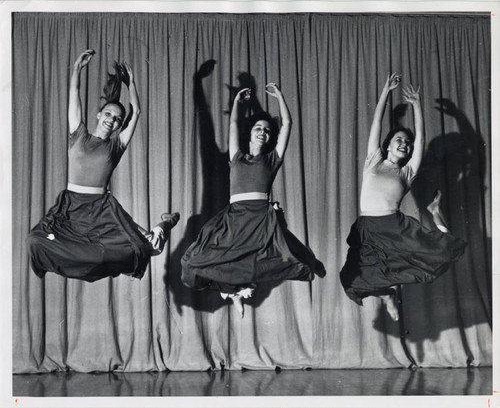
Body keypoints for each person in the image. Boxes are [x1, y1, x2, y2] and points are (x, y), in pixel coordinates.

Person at [27, 49, 179, 282]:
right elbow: (74, 93)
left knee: (147, 249)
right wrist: (77, 69)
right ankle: (159, 229)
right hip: (70, 207)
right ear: (98, 115)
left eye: (117, 118)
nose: (112, 119)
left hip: (101, 209)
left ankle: (166, 224)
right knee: (36, 241)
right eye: (108, 113)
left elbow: (136, 111)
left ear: (119, 125)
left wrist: (132, 85)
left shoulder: (116, 146)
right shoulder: (78, 135)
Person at [181, 83, 324, 317]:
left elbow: (287, 124)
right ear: (250, 132)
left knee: (264, 260)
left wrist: (279, 95)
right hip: (235, 215)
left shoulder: (272, 159)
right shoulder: (236, 156)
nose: (262, 132)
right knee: (198, 260)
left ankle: (303, 265)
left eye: (267, 130)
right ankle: (232, 291)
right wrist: (237, 102)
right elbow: (234, 124)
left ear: (270, 138)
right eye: (258, 127)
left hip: (260, 216)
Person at [339, 73, 466, 320]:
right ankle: (387, 295)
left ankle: (435, 212)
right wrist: (386, 91)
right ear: (388, 145)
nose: (404, 144)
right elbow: (376, 124)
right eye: (399, 140)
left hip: (393, 226)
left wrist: (417, 105)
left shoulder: (407, 172)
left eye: (406, 143)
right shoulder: (374, 161)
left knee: (440, 253)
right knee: (352, 280)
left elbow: (420, 141)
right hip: (366, 227)